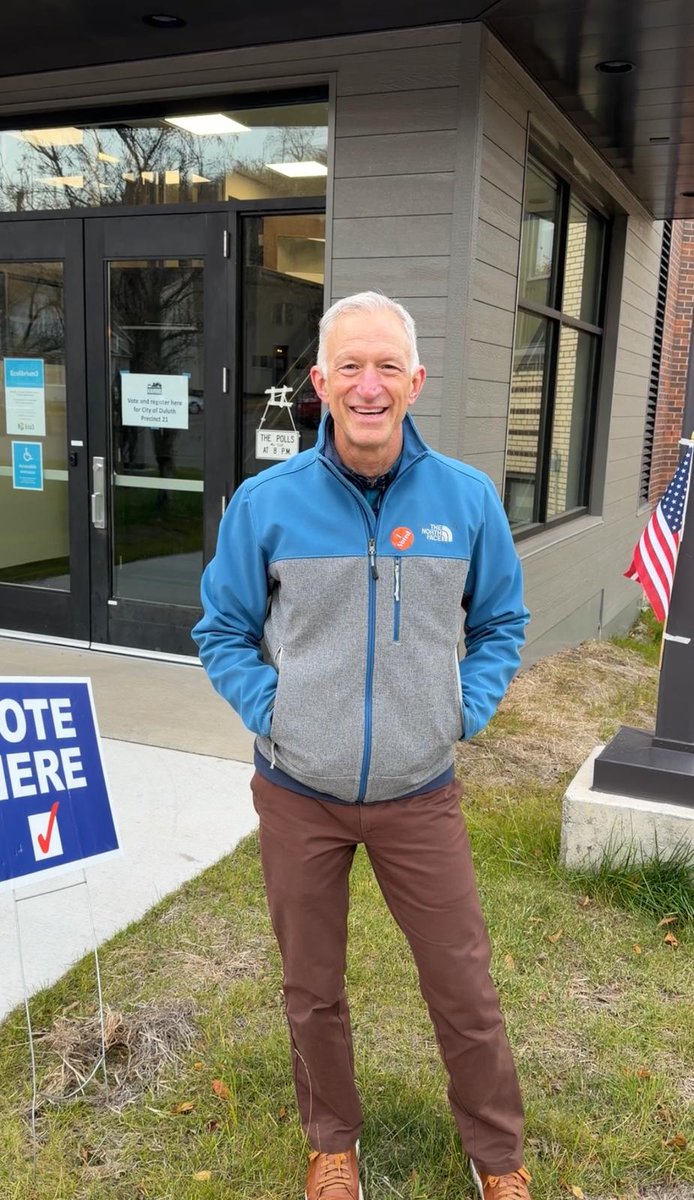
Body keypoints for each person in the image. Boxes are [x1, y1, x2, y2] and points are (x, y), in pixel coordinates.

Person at [192, 292, 532, 1200]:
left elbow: (501, 620)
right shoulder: (266, 505)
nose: (369, 385)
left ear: (415, 382)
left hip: (421, 790)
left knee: (463, 985)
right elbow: (221, 629)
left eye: (387, 367)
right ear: (320, 383)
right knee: (312, 985)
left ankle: (498, 1157)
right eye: (349, 366)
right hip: (299, 790)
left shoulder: (467, 500)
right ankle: (332, 1143)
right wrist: (277, 711)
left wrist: (462, 707)